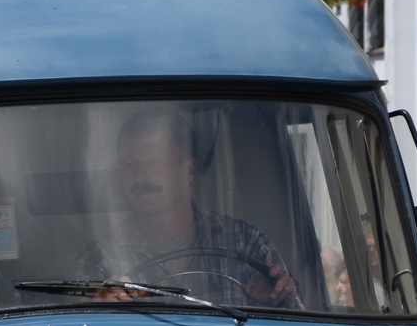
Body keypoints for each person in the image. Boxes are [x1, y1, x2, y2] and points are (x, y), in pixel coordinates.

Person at [83, 110, 297, 307]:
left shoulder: (247, 245)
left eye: (154, 162)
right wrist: (103, 308)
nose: (140, 177)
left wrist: (276, 300)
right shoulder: (100, 261)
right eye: (130, 164)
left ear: (189, 170)